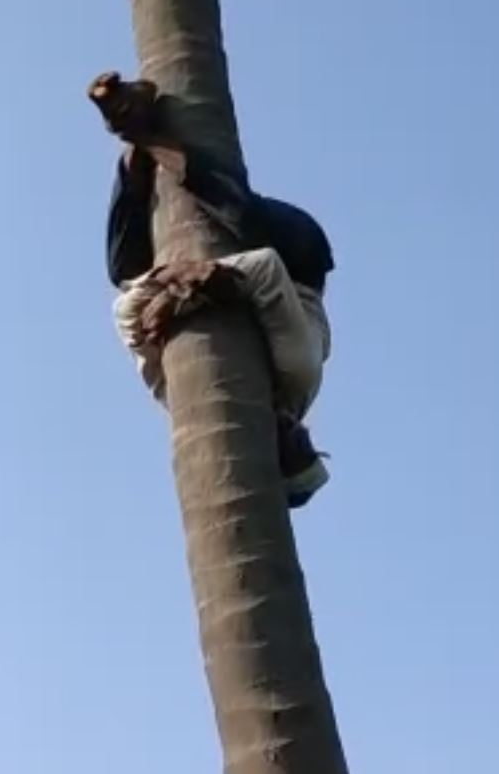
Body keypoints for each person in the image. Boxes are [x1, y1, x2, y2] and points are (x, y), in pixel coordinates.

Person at [88, 72, 336, 507]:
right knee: (244, 221)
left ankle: (135, 142)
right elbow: (264, 267)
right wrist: (194, 281)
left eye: (288, 454)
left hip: (211, 270)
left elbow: (125, 313)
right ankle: (142, 133)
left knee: (120, 268)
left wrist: (166, 283)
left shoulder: (194, 396)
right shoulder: (300, 374)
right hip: (299, 256)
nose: (290, 436)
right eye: (303, 444)